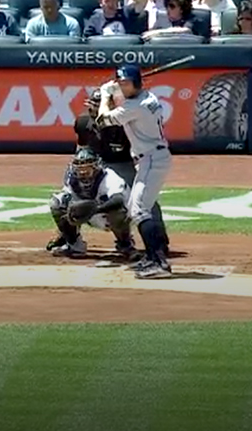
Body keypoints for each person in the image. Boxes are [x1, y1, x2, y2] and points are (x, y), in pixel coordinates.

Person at [70, 88, 169, 258]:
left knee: (145, 197)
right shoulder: (83, 122)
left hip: (126, 162)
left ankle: (159, 240)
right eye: (93, 105)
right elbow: (81, 148)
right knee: (74, 193)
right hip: (98, 162)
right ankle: (69, 236)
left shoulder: (125, 121)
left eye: (101, 105)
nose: (95, 110)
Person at [96, 65, 174, 279]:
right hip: (150, 158)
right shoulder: (146, 98)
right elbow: (125, 103)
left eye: (127, 83)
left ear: (138, 83)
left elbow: (103, 120)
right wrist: (117, 91)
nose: (124, 87)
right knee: (137, 207)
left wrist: (105, 95)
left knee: (139, 210)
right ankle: (152, 257)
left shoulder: (137, 106)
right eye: (122, 83)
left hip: (151, 159)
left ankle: (159, 262)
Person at [47, 149, 136, 261]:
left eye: (87, 169)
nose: (83, 173)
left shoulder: (109, 177)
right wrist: (72, 212)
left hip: (109, 214)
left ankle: (125, 244)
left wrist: (95, 209)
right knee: (57, 203)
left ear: (96, 167)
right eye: (80, 169)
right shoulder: (71, 178)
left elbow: (118, 201)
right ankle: (74, 244)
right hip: (89, 214)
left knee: (117, 212)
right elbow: (67, 196)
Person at [141, 0, 206, 40]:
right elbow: (149, 35)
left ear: (182, 9)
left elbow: (185, 30)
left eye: (172, 6)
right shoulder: (161, 20)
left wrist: (159, 32)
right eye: (166, 6)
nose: (168, 9)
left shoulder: (192, 18)